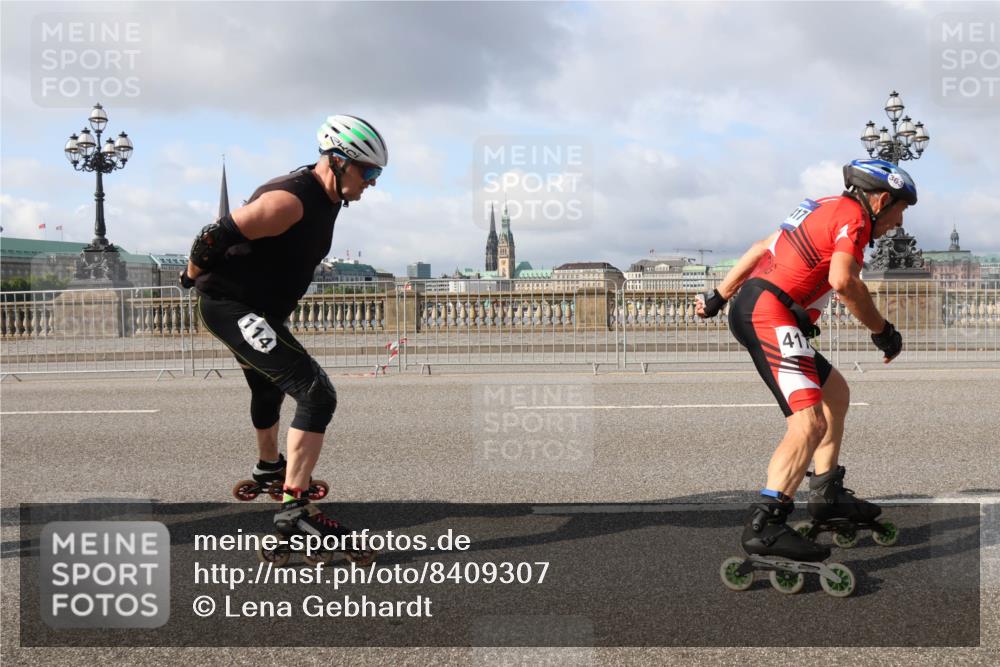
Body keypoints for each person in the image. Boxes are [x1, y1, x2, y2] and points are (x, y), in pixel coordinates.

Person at [180, 114, 387, 550]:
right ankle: (293, 513)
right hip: (232, 307)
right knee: (316, 392)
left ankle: (270, 467)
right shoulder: (290, 201)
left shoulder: (329, 198)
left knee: (269, 388)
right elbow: (211, 237)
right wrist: (189, 275)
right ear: (337, 161)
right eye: (368, 172)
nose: (372, 182)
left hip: (260, 311)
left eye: (376, 174)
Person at [698, 159, 915, 564]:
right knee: (809, 423)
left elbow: (762, 248)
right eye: (900, 210)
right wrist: (882, 330)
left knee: (836, 394)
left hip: (761, 305)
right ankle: (767, 525)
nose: (899, 222)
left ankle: (826, 494)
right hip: (770, 313)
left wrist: (717, 296)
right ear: (882, 200)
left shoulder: (821, 205)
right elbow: (843, 282)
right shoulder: (855, 219)